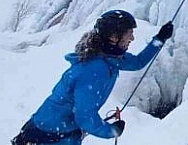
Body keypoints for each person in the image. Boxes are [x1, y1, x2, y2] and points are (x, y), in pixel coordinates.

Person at [11, 10, 174, 144]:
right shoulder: (95, 70)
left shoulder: (109, 58)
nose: (132, 38)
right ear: (113, 37)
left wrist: (159, 39)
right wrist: (111, 131)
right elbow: (85, 118)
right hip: (48, 138)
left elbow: (137, 62)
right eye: (129, 33)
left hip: (58, 132)